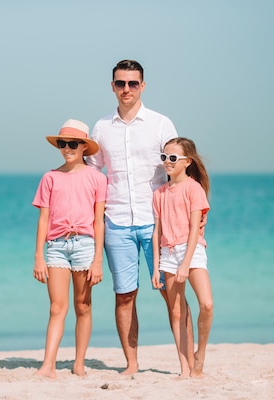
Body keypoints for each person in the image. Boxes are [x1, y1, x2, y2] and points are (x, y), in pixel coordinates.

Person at [85, 59, 194, 374]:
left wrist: (193, 215)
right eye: (121, 83)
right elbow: (93, 172)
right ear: (112, 86)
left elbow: (179, 168)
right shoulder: (102, 127)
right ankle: (131, 365)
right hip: (116, 222)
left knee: (171, 294)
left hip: (157, 222)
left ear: (142, 86)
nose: (126, 89)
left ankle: (186, 365)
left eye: (133, 83)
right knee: (124, 295)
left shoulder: (161, 124)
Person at [32, 119, 108, 378]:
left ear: (84, 147)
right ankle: (48, 365)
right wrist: (38, 257)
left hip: (85, 246)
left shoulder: (98, 179)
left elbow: (99, 221)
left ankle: (78, 363)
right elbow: (43, 219)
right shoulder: (49, 178)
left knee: (83, 306)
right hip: (56, 247)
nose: (67, 148)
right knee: (56, 307)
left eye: (72, 143)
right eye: (62, 144)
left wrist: (98, 260)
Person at [151, 137, 214, 378]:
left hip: (191, 250)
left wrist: (186, 263)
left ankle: (201, 355)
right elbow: (157, 231)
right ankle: (185, 368)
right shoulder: (159, 193)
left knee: (206, 304)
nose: (167, 162)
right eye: (164, 157)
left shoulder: (193, 188)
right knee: (176, 312)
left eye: (173, 158)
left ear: (187, 162)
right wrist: (156, 267)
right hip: (167, 253)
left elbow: (193, 229)